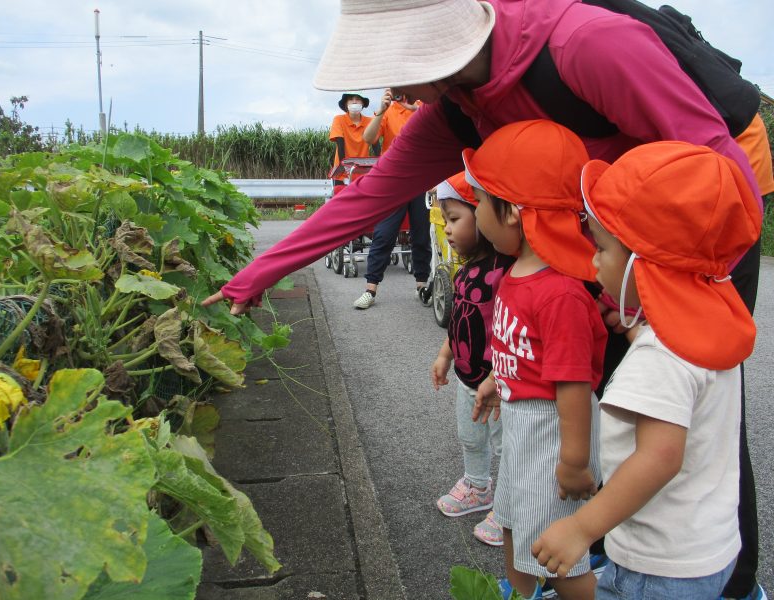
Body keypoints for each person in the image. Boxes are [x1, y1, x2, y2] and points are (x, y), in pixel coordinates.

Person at [204, 3, 764, 596]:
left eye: (393, 68)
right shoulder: (455, 113)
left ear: (434, 49)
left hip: (706, 214)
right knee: (609, 394)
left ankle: (726, 578)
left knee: (686, 402)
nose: (389, 88)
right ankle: (597, 560)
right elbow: (367, 199)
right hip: (601, 232)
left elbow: (722, 169)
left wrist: (664, 294)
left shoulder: (588, 46)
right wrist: (257, 274)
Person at [532, 141, 762, 599]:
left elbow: (659, 457)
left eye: (601, 248)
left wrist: (581, 527)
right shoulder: (711, 321)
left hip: (659, 568)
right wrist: (642, 332)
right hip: (710, 548)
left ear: (645, 263)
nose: (593, 261)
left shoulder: (660, 358)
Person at [465, 120, 607, 600]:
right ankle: (521, 593)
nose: (475, 211)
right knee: (511, 522)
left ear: (512, 214)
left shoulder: (559, 292)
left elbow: (571, 383)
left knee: (557, 549)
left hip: (552, 435)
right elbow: (517, 349)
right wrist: (494, 380)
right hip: (523, 431)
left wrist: (572, 461)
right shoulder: (517, 272)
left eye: (480, 200)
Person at [430, 172, 514, 546]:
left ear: (483, 215)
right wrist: (445, 354)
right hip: (467, 378)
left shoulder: (503, 272)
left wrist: (496, 376)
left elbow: (509, 330)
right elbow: (460, 319)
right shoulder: (465, 270)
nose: (446, 229)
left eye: (454, 218)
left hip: (497, 384)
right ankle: (479, 486)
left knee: (506, 444)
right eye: (445, 220)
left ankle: (510, 506)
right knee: (470, 435)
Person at [352, 88, 430, 309]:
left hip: (420, 178)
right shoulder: (388, 110)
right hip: (393, 180)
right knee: (384, 234)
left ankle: (421, 285)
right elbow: (368, 138)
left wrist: (417, 108)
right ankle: (370, 288)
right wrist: (380, 110)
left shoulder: (424, 105)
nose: (400, 93)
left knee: (421, 234)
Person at [329, 92, 372, 196]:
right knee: (340, 204)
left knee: (361, 205)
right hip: (341, 171)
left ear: (362, 103)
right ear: (346, 104)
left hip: (362, 171)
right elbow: (340, 143)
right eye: (351, 99)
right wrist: (345, 169)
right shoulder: (339, 119)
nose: (354, 102)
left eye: (358, 99)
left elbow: (375, 143)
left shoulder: (370, 121)